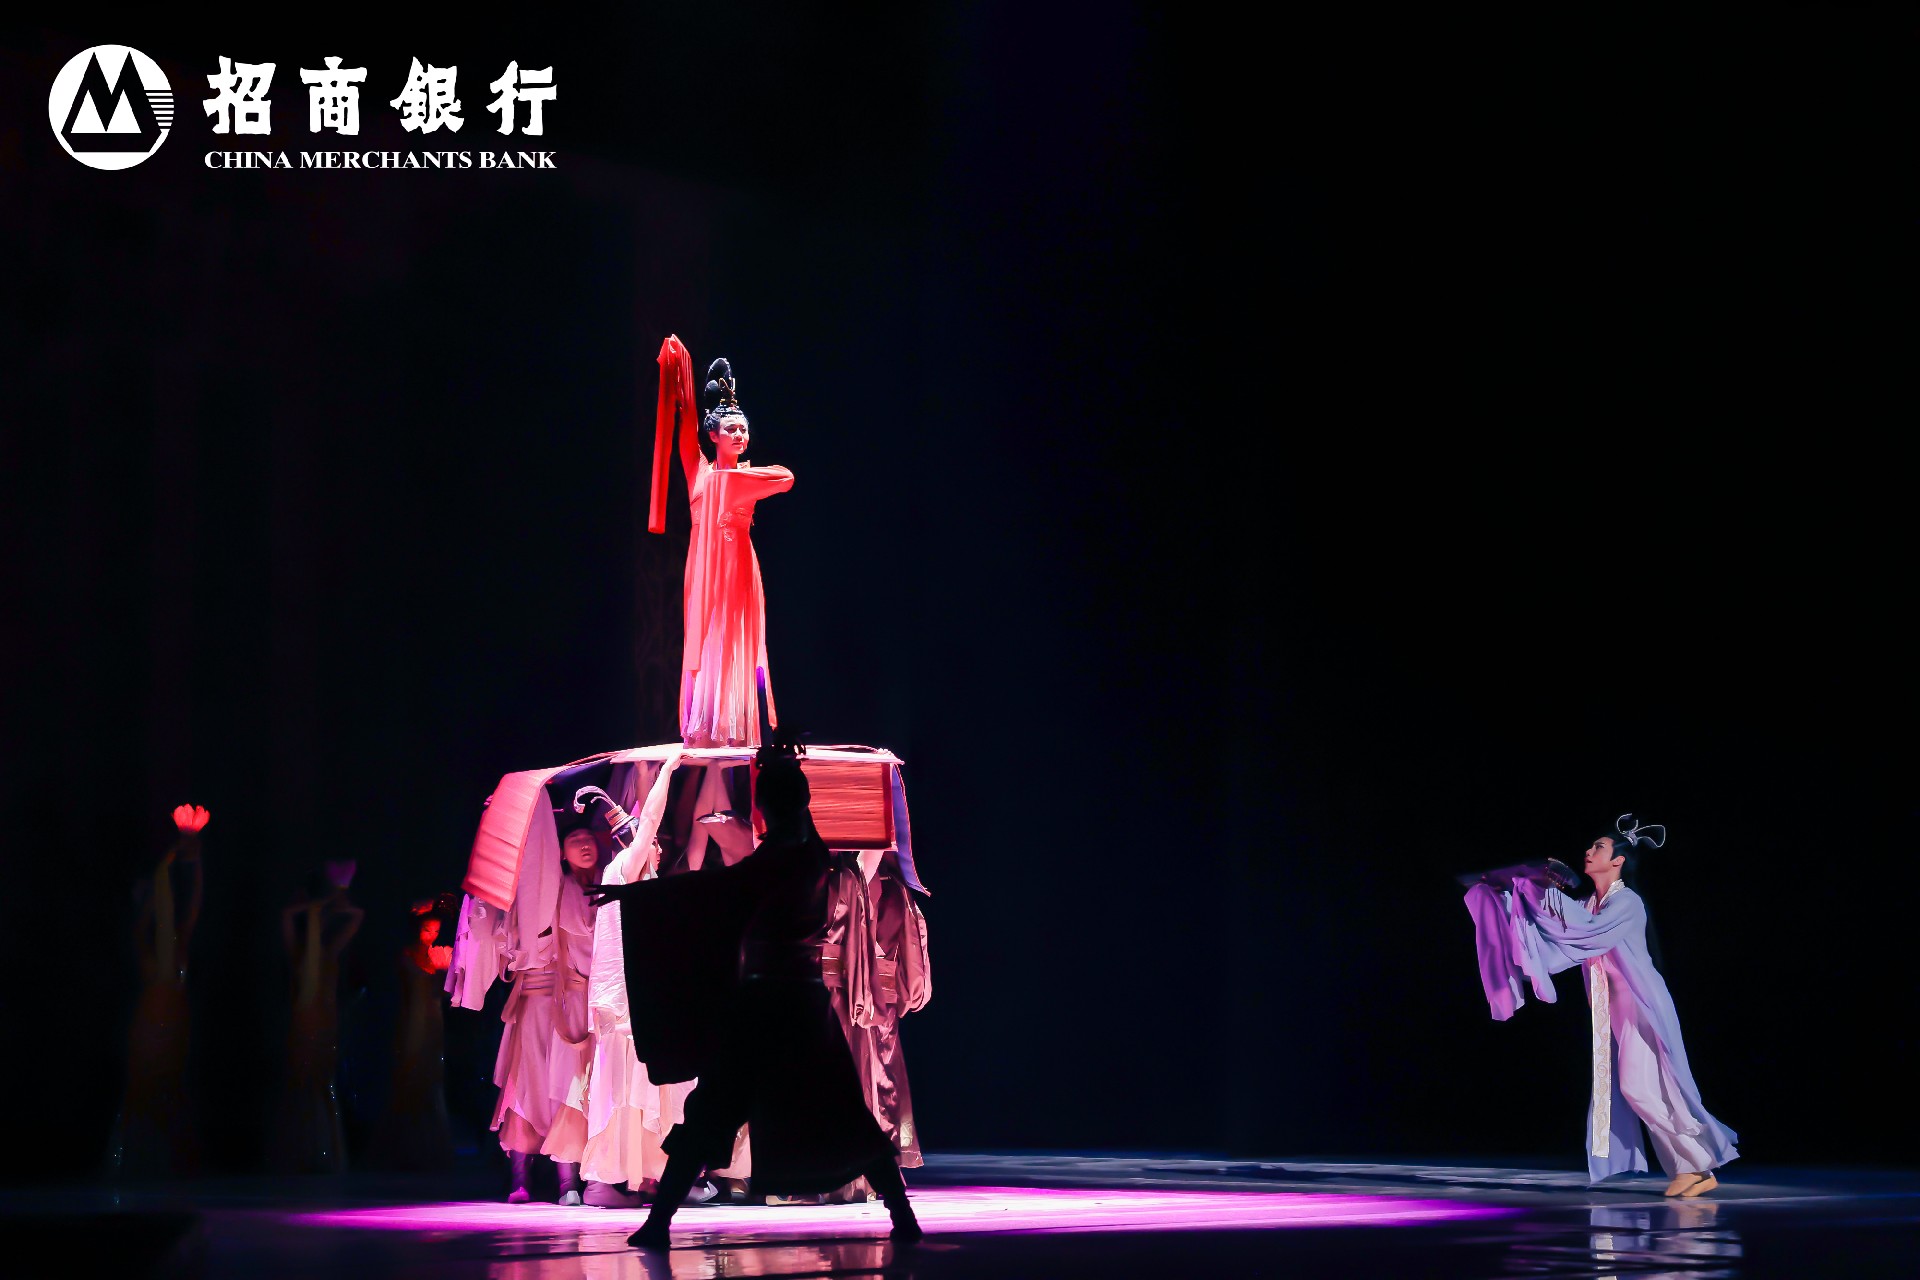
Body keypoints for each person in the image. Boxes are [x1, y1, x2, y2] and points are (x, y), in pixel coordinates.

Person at [589, 739, 922, 1250]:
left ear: (768, 808)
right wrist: (781, 763)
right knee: (836, 1109)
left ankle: (658, 1223)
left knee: (713, 1109)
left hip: (766, 1005)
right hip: (804, 1004)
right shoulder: (810, 851)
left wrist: (637, 896)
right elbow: (754, 858)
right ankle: (902, 1216)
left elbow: (713, 891)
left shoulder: (780, 861)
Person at [1462, 815, 1738, 1194]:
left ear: (1618, 860)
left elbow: (1585, 932)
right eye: (1591, 846)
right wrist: (1511, 898)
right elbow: (1561, 939)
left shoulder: (1627, 902)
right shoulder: (1590, 904)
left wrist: (1541, 890)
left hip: (1642, 1004)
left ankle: (1700, 1165)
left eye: (1599, 847)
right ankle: (1692, 1169)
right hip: (1614, 1008)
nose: (1589, 851)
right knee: (1644, 1089)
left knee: (1640, 1088)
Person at [652, 337, 795, 748]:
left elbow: (786, 477)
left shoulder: (744, 478)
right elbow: (686, 421)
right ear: (712, 435)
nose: (740, 434)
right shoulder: (699, 471)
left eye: (744, 428)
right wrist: (680, 376)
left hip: (737, 568)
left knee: (736, 638)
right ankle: (705, 723)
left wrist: (734, 482)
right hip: (703, 567)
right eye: (731, 428)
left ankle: (737, 725)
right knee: (707, 636)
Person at [493, 823, 602, 1203]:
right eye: (574, 840)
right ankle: (520, 1179)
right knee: (527, 1084)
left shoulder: (601, 887)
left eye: (588, 839)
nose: (585, 845)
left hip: (577, 1001)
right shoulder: (549, 889)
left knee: (570, 1086)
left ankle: (569, 1181)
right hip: (539, 1000)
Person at [109, 805, 208, 1177]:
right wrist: (169, 863)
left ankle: (165, 1160)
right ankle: (137, 1159)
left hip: (174, 1023)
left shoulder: (177, 943)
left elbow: (193, 906)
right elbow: (156, 912)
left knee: (169, 1086)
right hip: (151, 1025)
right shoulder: (145, 946)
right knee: (146, 1085)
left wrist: (193, 862)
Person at [274, 859, 364, 1173]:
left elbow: (357, 916)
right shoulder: (298, 955)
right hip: (304, 1023)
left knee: (321, 1081)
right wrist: (315, 906)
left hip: (326, 1022)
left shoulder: (329, 953)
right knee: (302, 1080)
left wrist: (334, 899)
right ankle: (302, 1151)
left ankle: (321, 1151)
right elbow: (287, 916)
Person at [370, 895, 457, 1171]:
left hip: (433, 1020)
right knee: (411, 1074)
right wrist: (438, 974)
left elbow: (443, 993)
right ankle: (405, 1149)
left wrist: (446, 975)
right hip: (412, 1021)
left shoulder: (439, 955)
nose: (431, 935)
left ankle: (429, 1148)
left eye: (435, 931)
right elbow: (417, 984)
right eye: (426, 929)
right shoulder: (407, 955)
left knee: (431, 1077)